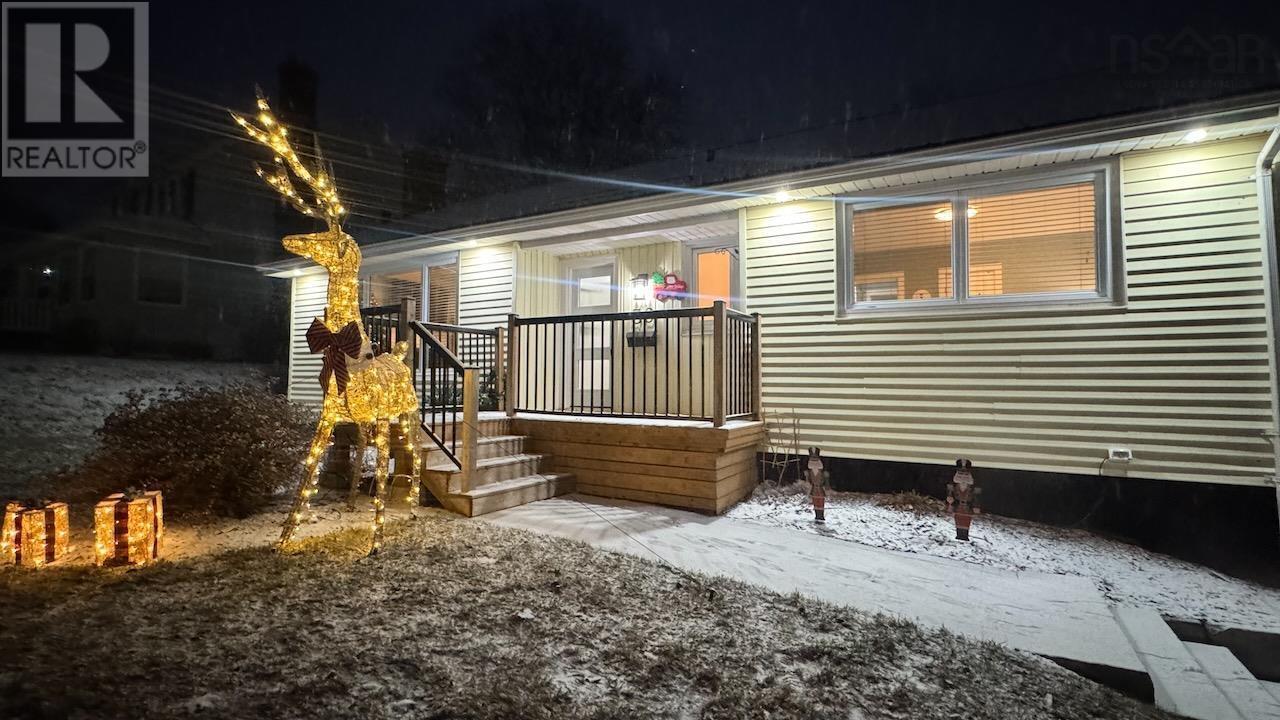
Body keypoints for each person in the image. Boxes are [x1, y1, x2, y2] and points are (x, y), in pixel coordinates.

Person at [806, 446, 829, 523]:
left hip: (820, 488)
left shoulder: (822, 472)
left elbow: (825, 480)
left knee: (821, 502)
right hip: (814, 489)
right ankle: (817, 515)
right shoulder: (810, 472)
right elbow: (809, 481)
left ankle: (821, 515)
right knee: (815, 501)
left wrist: (826, 480)